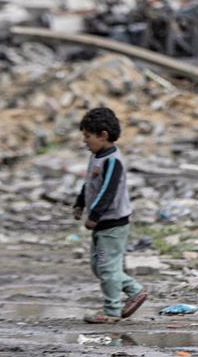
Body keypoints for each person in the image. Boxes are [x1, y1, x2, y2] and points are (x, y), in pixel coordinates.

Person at [72, 107, 147, 323]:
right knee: (100, 266)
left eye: (87, 136)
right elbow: (90, 184)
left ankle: (111, 310)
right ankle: (134, 290)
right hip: (103, 226)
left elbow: (107, 191)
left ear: (103, 135)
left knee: (106, 266)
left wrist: (93, 215)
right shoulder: (96, 157)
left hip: (112, 225)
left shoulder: (112, 161)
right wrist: (80, 203)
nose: (84, 141)